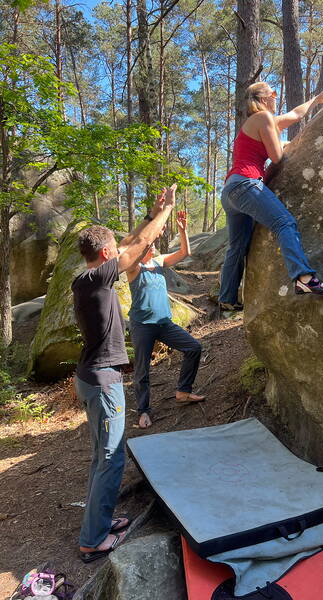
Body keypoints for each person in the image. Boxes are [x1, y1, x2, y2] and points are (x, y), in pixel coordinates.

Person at [71, 184, 176, 563]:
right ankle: (92, 539)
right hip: (102, 382)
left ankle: (98, 521)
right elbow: (135, 248)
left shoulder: (89, 278)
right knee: (111, 457)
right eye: (113, 249)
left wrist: (152, 211)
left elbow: (130, 241)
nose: (120, 252)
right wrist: (166, 215)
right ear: (104, 254)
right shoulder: (95, 279)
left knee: (103, 455)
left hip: (93, 377)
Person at [218, 82, 323, 311]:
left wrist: (317, 99)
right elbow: (276, 157)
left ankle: (226, 298)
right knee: (284, 222)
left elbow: (295, 114)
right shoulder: (263, 117)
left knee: (237, 246)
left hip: (230, 190)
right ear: (263, 99)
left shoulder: (262, 121)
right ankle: (304, 279)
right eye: (273, 93)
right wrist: (284, 144)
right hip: (246, 184)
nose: (276, 96)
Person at [126, 209, 205, 430]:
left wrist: (183, 230)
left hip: (164, 324)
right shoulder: (134, 269)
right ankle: (143, 411)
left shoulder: (159, 262)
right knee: (142, 370)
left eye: (152, 244)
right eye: (149, 245)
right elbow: (137, 255)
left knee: (193, 347)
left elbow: (184, 252)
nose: (152, 247)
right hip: (142, 326)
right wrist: (149, 235)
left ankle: (183, 391)